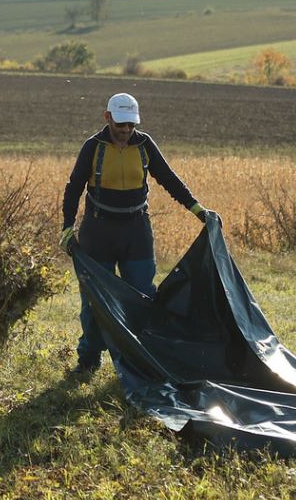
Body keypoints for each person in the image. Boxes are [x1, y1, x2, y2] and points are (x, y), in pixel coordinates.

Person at [60, 92, 207, 374]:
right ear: (108, 118)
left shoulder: (145, 144)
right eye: (121, 124)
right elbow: (74, 187)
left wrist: (198, 209)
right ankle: (89, 359)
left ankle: (142, 358)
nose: (126, 130)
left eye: (131, 125)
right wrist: (67, 227)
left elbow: (168, 178)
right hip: (97, 232)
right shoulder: (93, 147)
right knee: (94, 300)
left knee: (142, 297)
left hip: (136, 231)